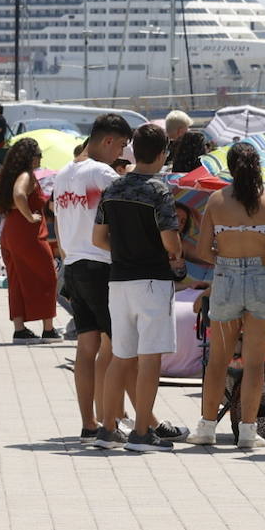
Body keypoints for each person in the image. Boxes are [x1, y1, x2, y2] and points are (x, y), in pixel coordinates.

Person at [92, 123, 188, 453]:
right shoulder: (159, 191)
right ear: (163, 154)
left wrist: (124, 252)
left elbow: (98, 239)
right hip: (152, 281)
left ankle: (107, 428)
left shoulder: (113, 189)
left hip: (118, 281)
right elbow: (171, 243)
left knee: (121, 356)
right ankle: (142, 431)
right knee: (149, 359)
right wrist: (173, 255)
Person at [188, 142, 265, 449]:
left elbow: (203, 250)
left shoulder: (217, 201)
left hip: (227, 277)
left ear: (231, 169)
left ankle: (206, 428)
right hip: (263, 276)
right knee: (256, 361)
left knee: (218, 359)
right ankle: (248, 431)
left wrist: (227, 256)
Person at [54, 113, 134, 443]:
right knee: (115, 347)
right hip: (101, 264)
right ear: (108, 141)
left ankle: (90, 423)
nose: (123, 155)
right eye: (123, 146)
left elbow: (58, 224)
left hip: (72, 264)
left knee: (86, 347)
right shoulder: (103, 174)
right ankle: (110, 420)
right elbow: (125, 215)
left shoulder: (62, 174)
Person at [0, 138, 60, 343]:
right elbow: (19, 195)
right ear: (29, 157)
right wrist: (30, 216)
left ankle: (19, 330)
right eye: (38, 154)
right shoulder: (25, 176)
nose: (40, 157)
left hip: (11, 234)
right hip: (28, 234)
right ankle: (48, 330)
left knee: (17, 280)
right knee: (48, 276)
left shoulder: (10, 177)